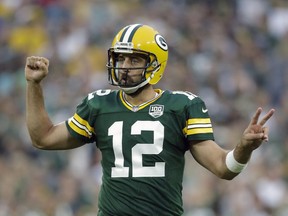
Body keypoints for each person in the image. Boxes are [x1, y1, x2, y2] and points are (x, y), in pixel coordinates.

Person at [25, 24, 275, 215]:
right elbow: (43, 138)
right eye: (120, 58)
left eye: (134, 59)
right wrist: (33, 85)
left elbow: (223, 167)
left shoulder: (182, 106)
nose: (124, 66)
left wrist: (243, 147)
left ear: (155, 64)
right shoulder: (99, 104)